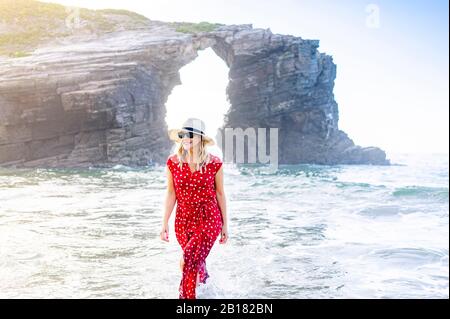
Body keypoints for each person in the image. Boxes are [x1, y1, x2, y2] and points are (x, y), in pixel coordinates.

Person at [160, 117, 228, 299]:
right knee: (194, 262)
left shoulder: (214, 163)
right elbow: (171, 193)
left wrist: (224, 225)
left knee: (188, 261)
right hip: (183, 221)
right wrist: (164, 222)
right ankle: (206, 290)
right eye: (183, 135)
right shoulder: (173, 163)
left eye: (190, 135)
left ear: (200, 138)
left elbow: (220, 193)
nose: (186, 138)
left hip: (209, 219)